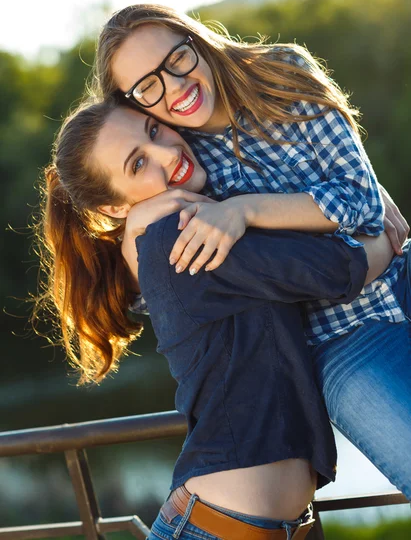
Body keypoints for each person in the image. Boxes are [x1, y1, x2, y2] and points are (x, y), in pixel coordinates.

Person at [92, 4, 411, 499]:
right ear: (133, 105)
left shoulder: (282, 74)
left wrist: (245, 209)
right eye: (148, 86)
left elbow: (363, 200)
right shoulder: (178, 172)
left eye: (177, 58)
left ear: (195, 40)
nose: (174, 86)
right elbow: (171, 296)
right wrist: (135, 227)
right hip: (340, 341)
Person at [37, 100, 392, 539]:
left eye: (153, 130)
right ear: (113, 207)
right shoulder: (179, 235)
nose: (168, 153)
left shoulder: (192, 225)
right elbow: (339, 269)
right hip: (219, 526)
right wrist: (384, 235)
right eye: (139, 163)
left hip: (259, 523)